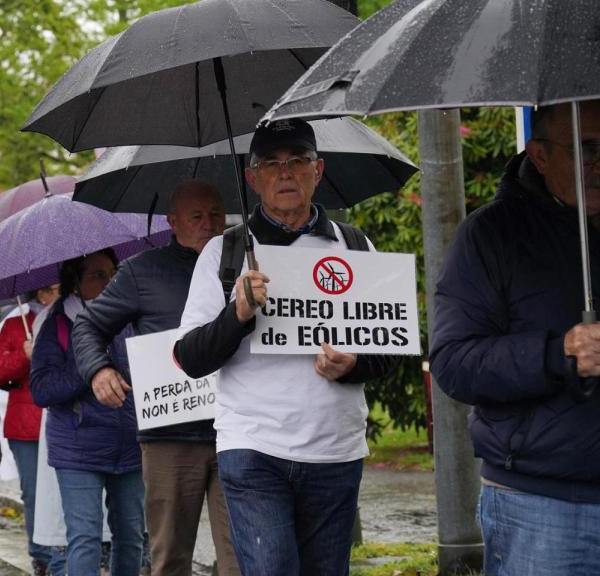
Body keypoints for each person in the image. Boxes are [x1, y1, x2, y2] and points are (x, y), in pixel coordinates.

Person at [174, 119, 397, 575]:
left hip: (335, 451)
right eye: (271, 165)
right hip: (254, 448)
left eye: (297, 161)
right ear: (252, 179)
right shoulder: (223, 253)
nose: (286, 173)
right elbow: (189, 358)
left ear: (319, 170)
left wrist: (353, 364)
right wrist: (236, 314)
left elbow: (391, 349)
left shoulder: (355, 246)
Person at [430, 100, 600, 576]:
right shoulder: (490, 236)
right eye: (586, 149)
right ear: (540, 156)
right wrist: (559, 354)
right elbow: (454, 363)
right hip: (542, 507)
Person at [73, 180, 239, 576]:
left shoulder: (246, 262)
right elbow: (88, 326)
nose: (209, 224)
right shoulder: (141, 271)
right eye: (196, 216)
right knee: (169, 557)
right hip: (171, 437)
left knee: (242, 556)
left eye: (216, 214)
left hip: (239, 430)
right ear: (173, 222)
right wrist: (99, 369)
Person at [31, 249, 145, 576]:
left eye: (112, 272)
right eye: (97, 275)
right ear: (75, 284)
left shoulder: (130, 314)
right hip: (77, 447)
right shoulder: (57, 324)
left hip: (129, 442)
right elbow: (42, 389)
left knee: (132, 535)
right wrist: (90, 364)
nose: (109, 281)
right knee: (85, 538)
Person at [0, 284, 63, 575]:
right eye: (52, 289)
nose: (57, 293)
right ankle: (41, 554)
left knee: (66, 490)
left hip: (64, 418)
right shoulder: (16, 325)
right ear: (39, 293)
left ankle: (66, 551)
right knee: (33, 492)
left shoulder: (72, 319)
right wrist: (23, 357)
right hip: (26, 424)